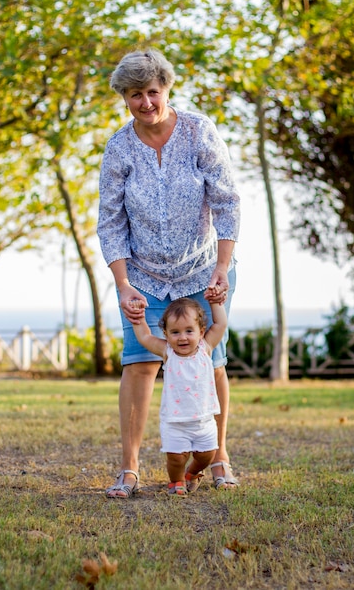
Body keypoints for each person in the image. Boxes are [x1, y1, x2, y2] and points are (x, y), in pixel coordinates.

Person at [97, 49, 240, 499]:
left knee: (210, 363)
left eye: (152, 92)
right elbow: (111, 219)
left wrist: (221, 268)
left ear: (167, 89)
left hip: (202, 270)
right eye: (135, 94)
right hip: (143, 275)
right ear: (125, 98)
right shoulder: (119, 147)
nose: (145, 102)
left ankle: (219, 458)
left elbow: (227, 202)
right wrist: (123, 284)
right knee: (138, 365)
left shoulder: (199, 131)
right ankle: (130, 468)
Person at [130, 295, 226, 495]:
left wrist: (216, 303)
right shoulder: (168, 352)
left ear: (201, 331)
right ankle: (176, 481)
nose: (182, 337)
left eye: (189, 331)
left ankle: (192, 473)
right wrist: (138, 318)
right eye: (175, 332)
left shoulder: (205, 349)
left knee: (207, 455)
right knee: (175, 458)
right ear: (165, 334)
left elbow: (220, 323)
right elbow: (145, 337)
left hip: (204, 420)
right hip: (175, 421)